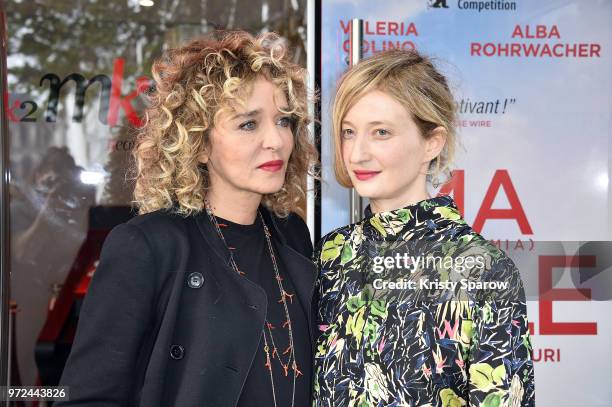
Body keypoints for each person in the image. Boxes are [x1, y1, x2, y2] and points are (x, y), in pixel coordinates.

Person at [57, 30, 318, 407]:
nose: (276, 141)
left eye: (284, 121)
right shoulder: (148, 246)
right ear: (197, 143)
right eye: (249, 124)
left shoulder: (291, 233)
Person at [312, 50, 535, 406]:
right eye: (348, 133)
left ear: (432, 142)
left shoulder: (483, 270)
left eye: (381, 132)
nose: (357, 154)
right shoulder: (329, 256)